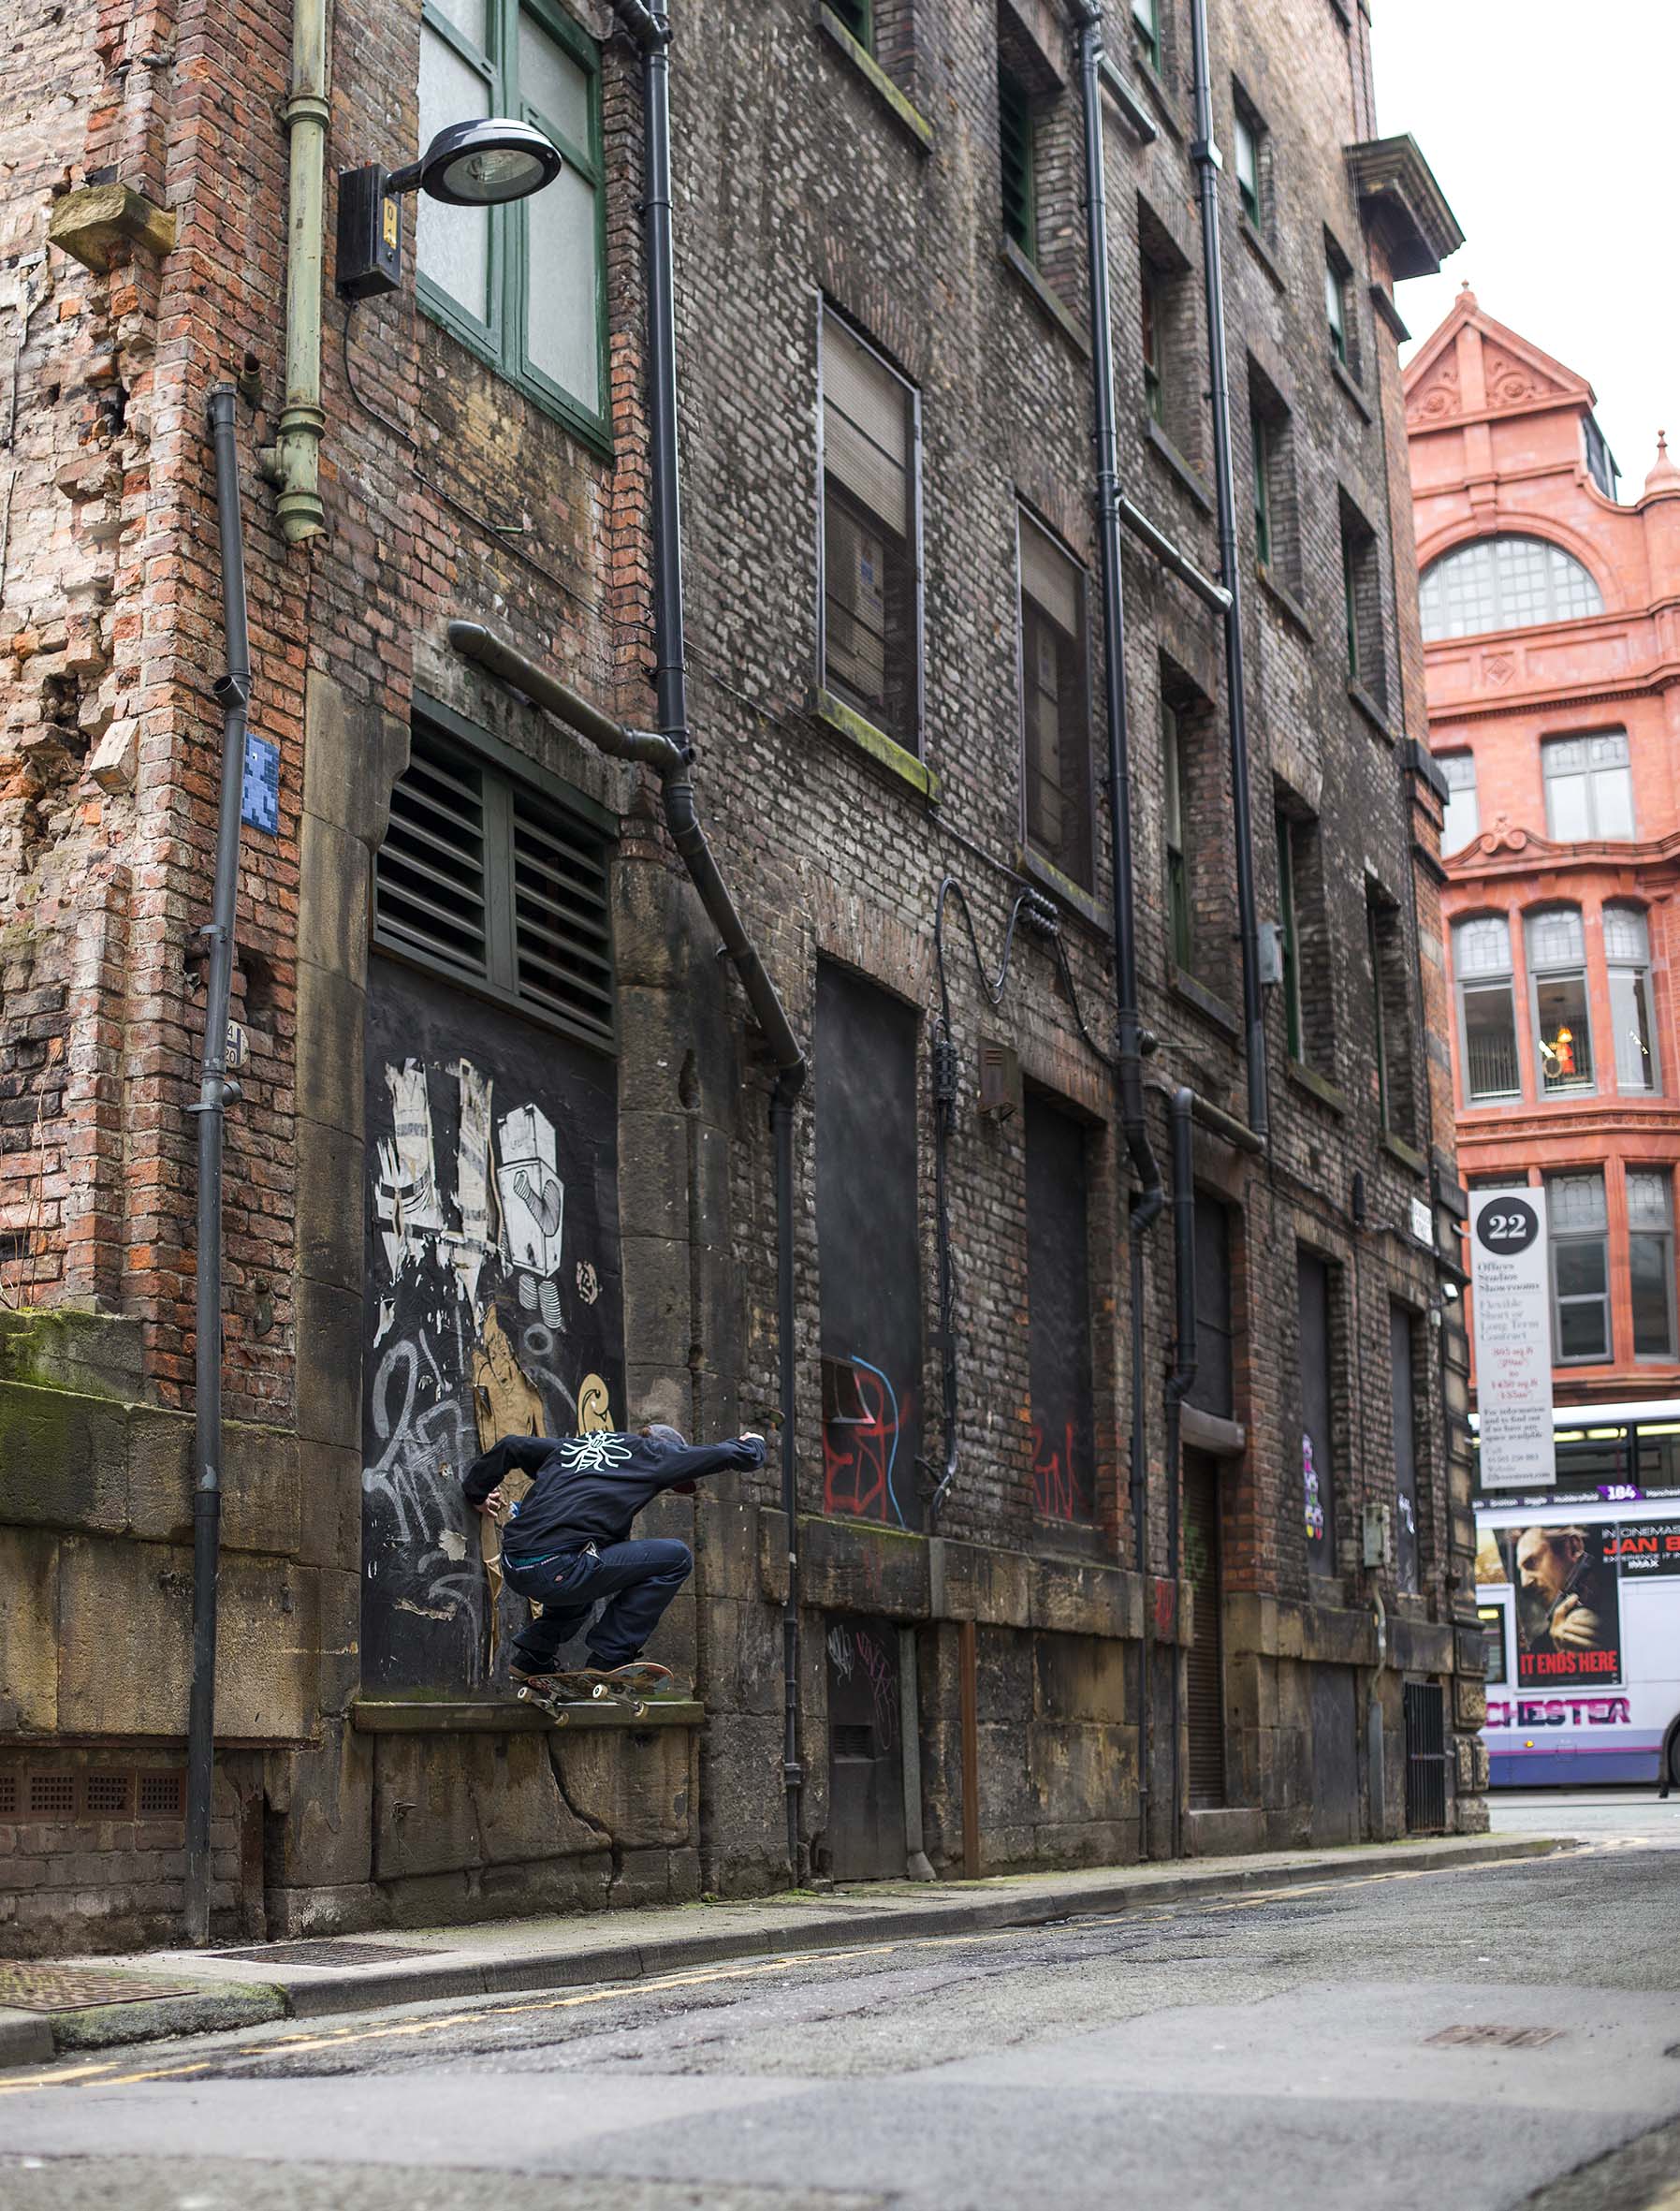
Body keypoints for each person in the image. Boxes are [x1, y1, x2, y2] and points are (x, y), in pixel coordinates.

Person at [461, 1421, 765, 1684]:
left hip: (516, 1563)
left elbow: (512, 1446)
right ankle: (609, 1657)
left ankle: (533, 1656)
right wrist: (754, 1445)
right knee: (676, 1557)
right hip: (556, 1566)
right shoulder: (654, 1454)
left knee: (592, 1568)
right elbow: (729, 1454)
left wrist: (477, 1492)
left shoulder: (576, 1447)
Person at [1513, 1525, 1610, 1653]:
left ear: (1573, 1547)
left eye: (1531, 1562)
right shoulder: (1542, 1646)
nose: (1525, 1582)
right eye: (1521, 1571)